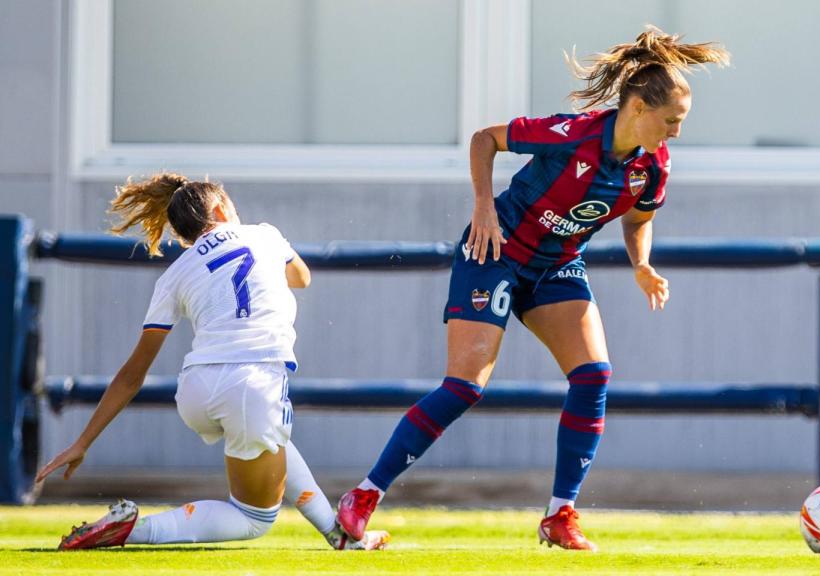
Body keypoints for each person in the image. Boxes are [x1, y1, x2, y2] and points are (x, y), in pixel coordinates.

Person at [336, 26, 729, 550]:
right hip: (495, 254)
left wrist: (642, 264)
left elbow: (637, 220)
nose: (676, 132)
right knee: (464, 388)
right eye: (671, 121)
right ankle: (363, 497)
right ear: (637, 107)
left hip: (557, 265)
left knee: (593, 377)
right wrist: (483, 210)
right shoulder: (572, 134)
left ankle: (560, 515)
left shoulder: (652, 164)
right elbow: (485, 139)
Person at [35, 173, 389, 551]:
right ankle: (132, 530)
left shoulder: (176, 273)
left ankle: (340, 537)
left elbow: (132, 374)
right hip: (254, 381)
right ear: (221, 207)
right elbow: (301, 278)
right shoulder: (265, 234)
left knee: (275, 439)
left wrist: (83, 441)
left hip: (195, 390)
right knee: (254, 517)